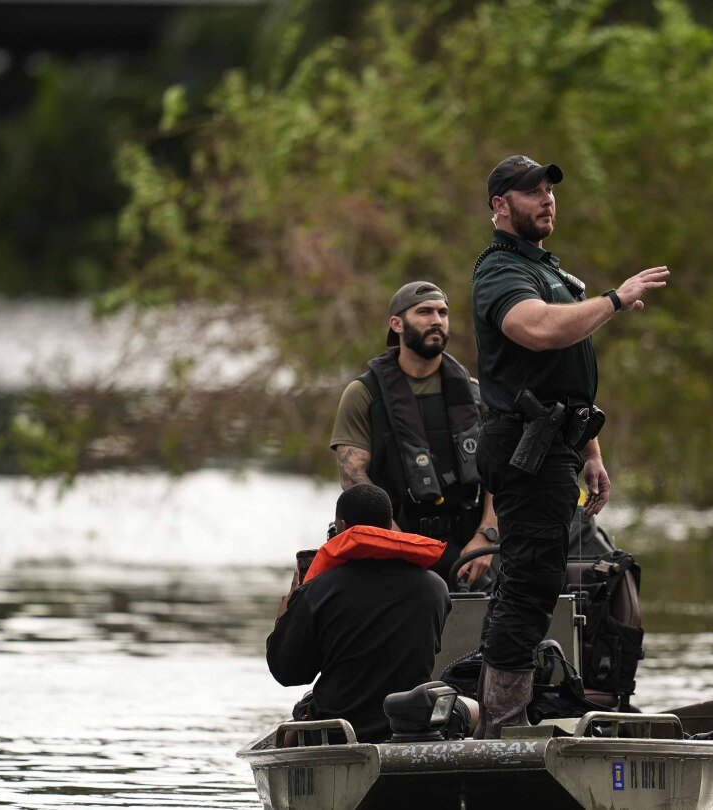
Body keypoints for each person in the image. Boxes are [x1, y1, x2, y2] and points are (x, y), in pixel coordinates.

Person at [469, 155, 669, 737]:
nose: (547, 199)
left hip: (558, 445)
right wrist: (612, 299)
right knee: (529, 584)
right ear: (499, 205)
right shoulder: (501, 271)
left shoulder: (547, 269)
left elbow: (565, 378)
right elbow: (537, 329)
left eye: (550, 191)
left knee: (535, 579)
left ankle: (506, 714)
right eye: (531, 192)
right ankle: (501, 726)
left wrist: (592, 453)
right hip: (522, 449)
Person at [329, 281, 499, 585]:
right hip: (391, 544)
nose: (437, 320)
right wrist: (395, 541)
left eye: (443, 312)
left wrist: (486, 536)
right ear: (396, 323)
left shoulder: (475, 394)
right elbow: (353, 478)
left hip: (467, 547)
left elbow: (499, 474)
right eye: (424, 312)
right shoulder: (364, 394)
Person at [265, 483, 454, 743]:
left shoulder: (317, 591)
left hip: (337, 732)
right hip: (408, 728)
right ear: (389, 526)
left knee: (291, 730)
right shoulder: (435, 588)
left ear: (341, 526)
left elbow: (287, 673)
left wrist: (286, 613)